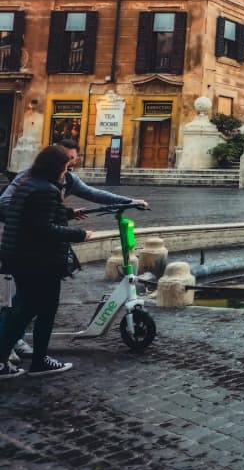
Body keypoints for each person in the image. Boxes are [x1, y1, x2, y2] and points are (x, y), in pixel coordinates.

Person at [0, 138, 145, 368]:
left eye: (71, 160)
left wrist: (63, 213)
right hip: (33, 254)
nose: (69, 166)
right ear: (55, 164)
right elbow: (30, 218)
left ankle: (28, 357)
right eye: (66, 162)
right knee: (24, 308)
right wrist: (73, 230)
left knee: (30, 307)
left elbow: (93, 194)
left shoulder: (47, 181)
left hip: (25, 251)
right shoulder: (39, 185)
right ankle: (12, 355)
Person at [0, 145, 92, 377]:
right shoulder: (46, 190)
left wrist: (68, 213)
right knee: (41, 311)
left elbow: (29, 215)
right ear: (55, 167)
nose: (66, 171)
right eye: (65, 166)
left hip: (17, 257)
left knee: (19, 311)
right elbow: (44, 228)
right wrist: (80, 234)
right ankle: (39, 361)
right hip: (41, 261)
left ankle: (5, 361)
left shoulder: (26, 183)